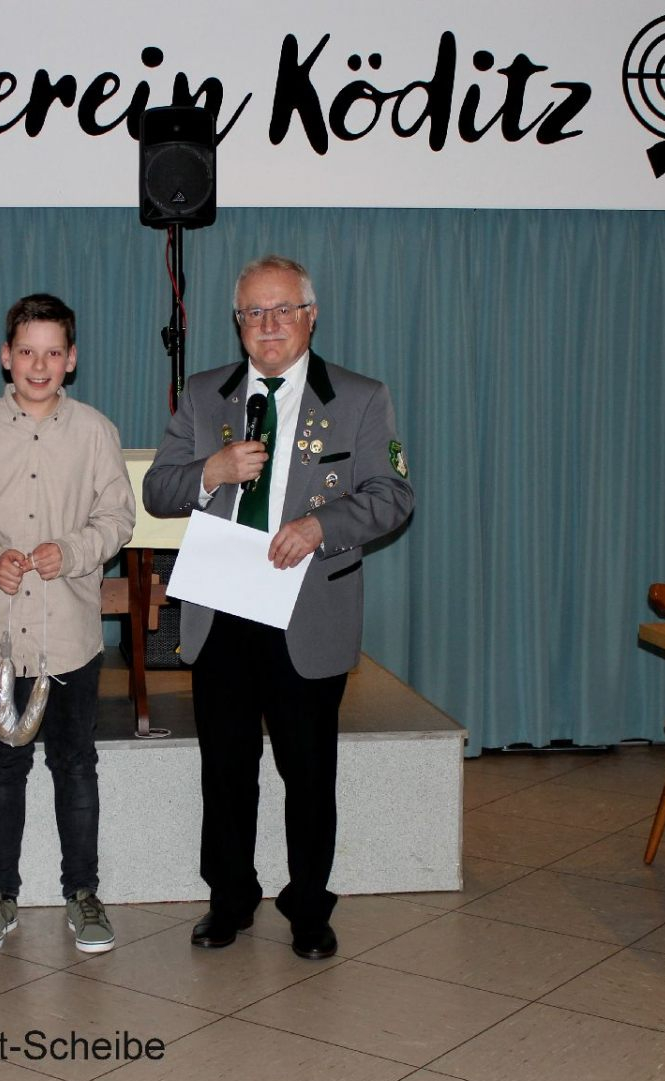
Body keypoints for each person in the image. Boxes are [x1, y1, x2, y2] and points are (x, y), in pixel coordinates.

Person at [143, 255, 413, 959]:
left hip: (307, 611)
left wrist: (323, 526)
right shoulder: (204, 394)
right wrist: (210, 471)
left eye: (282, 309)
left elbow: (393, 496)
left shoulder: (359, 396)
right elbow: (159, 492)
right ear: (237, 323)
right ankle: (229, 899)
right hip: (222, 610)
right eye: (253, 313)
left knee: (308, 770)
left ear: (310, 316)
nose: (268, 325)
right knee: (226, 769)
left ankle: (309, 906)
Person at [0, 294, 136, 954]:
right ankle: (0, 894)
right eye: (27, 351)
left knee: (75, 764)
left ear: (71, 359)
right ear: (6, 356)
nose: (39, 365)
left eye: (53, 352)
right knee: (2, 766)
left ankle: (83, 893)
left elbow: (117, 518)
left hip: (69, 634)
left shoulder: (96, 432)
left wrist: (72, 552)